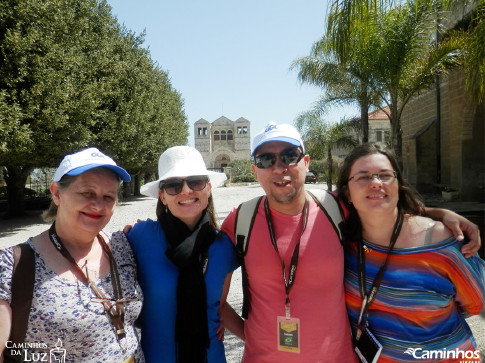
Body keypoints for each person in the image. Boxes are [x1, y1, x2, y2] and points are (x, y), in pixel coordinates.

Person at [221, 122, 482, 363]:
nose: (279, 167)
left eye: (289, 156)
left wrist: (440, 214)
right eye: (266, 160)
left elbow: (381, 204)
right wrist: (253, 337)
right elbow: (216, 300)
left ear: (306, 162)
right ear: (255, 170)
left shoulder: (333, 208)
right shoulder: (239, 220)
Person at [337, 143, 485, 363]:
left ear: (397, 184)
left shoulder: (442, 241)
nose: (376, 183)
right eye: (363, 177)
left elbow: (476, 303)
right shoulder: (345, 243)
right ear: (347, 193)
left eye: (385, 175)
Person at [0, 147, 144, 362]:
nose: (98, 205)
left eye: (108, 196)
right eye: (87, 193)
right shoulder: (13, 264)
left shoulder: (123, 245)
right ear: (57, 193)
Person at [124, 146, 240, 363]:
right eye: (174, 185)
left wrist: (258, 341)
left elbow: (218, 307)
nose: (186, 190)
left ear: (208, 188)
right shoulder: (138, 237)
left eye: (195, 182)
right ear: (162, 196)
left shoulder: (224, 247)